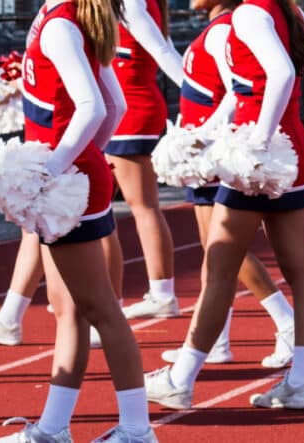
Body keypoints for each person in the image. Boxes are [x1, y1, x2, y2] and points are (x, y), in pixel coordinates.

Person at [143, 0, 304, 411]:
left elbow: (283, 73)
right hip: (287, 149)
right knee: (302, 272)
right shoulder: (284, 8)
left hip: (257, 153)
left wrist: (260, 139)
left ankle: (181, 379)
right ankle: (301, 383)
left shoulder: (248, 14)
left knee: (218, 268)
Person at [0, 0, 156, 440]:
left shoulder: (61, 24)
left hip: (64, 185)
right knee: (69, 310)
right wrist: (86, 161)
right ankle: (53, 428)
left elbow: (95, 108)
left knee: (101, 308)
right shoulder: (64, 16)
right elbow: (114, 104)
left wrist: (54, 168)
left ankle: (138, 430)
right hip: (73, 179)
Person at [155, 0, 297, 368]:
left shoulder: (221, 32)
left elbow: (238, 92)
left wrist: (203, 135)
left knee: (222, 250)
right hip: (203, 151)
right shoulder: (214, 29)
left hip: (214, 151)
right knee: (213, 249)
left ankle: (285, 321)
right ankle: (217, 340)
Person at [112, 0, 186, 320]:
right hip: (129, 106)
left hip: (130, 109)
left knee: (139, 207)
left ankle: (161, 293)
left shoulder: (132, 3)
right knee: (139, 206)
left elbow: (163, 52)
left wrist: (200, 95)